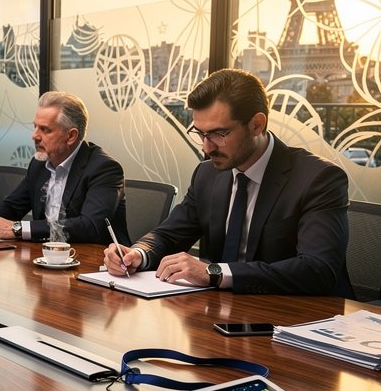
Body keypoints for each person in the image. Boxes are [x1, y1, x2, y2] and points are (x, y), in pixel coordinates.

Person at [103, 68, 352, 296]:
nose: (206, 147)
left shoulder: (318, 179)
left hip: (296, 319)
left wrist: (215, 272)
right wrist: (138, 253)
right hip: (222, 314)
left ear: (257, 124)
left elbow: (317, 270)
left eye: (219, 134)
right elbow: (169, 235)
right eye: (200, 133)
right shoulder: (207, 175)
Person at [0, 91, 129, 245]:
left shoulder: (104, 168)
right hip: (46, 258)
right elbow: (12, 206)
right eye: (35, 127)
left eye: (45, 130)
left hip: (97, 264)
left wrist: (18, 228)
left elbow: (89, 226)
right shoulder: (40, 164)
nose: (34, 136)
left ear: (71, 136)